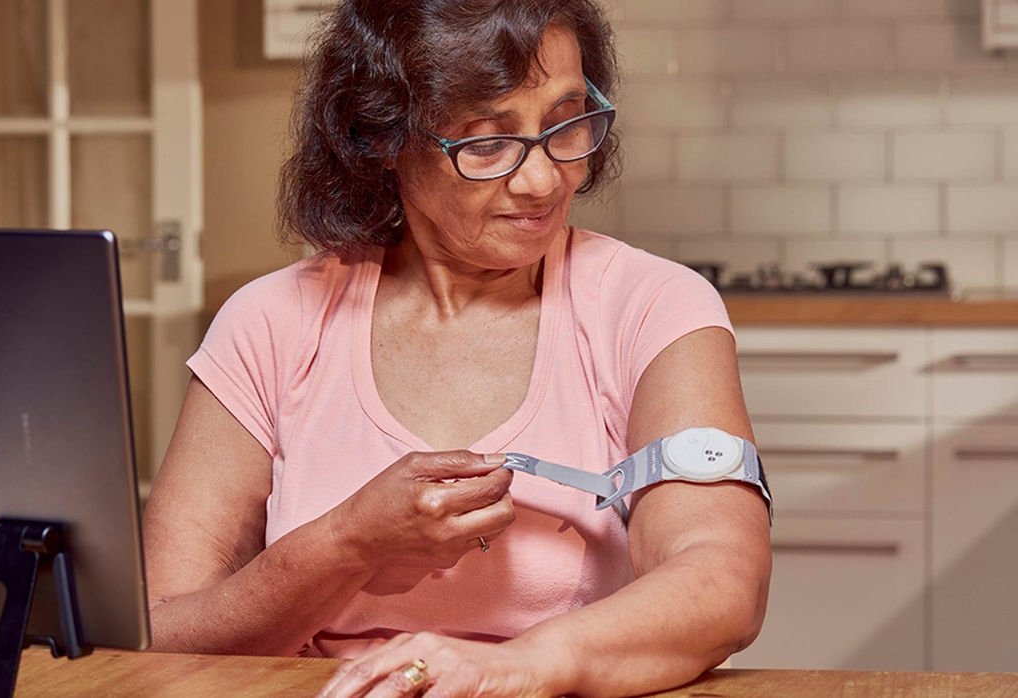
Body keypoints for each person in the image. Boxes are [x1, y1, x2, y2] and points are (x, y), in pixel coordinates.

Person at [141, 0, 772, 695]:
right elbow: (159, 627)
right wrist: (349, 544)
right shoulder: (271, 323)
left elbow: (722, 580)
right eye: (487, 141)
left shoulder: (653, 307)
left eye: (565, 122)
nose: (542, 180)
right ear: (382, 138)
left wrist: (517, 667)